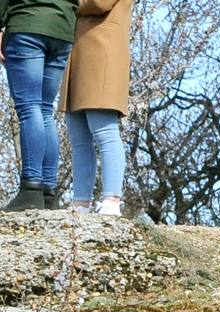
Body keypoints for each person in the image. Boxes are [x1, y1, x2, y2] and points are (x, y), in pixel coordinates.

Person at [0, 0, 79, 211]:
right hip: (62, 29)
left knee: (30, 107)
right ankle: (48, 194)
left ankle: (31, 189)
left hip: (27, 25)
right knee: (45, 109)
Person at [61, 0, 133, 216]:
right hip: (79, 53)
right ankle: (81, 202)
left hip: (103, 52)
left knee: (103, 129)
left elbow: (97, 2)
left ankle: (111, 200)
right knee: (78, 135)